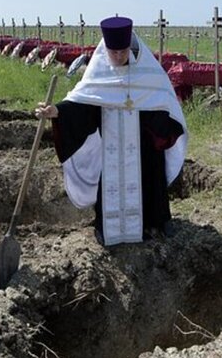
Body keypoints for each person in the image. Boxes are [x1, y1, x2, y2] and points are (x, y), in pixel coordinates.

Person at [35, 16, 187, 246]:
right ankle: (106, 227)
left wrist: (160, 123)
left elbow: (165, 102)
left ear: (131, 48)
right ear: (106, 49)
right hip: (112, 148)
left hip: (144, 146)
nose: (118, 56)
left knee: (151, 179)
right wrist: (56, 111)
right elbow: (82, 105)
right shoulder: (99, 75)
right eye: (113, 52)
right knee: (111, 186)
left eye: (123, 52)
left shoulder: (148, 74)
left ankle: (159, 221)